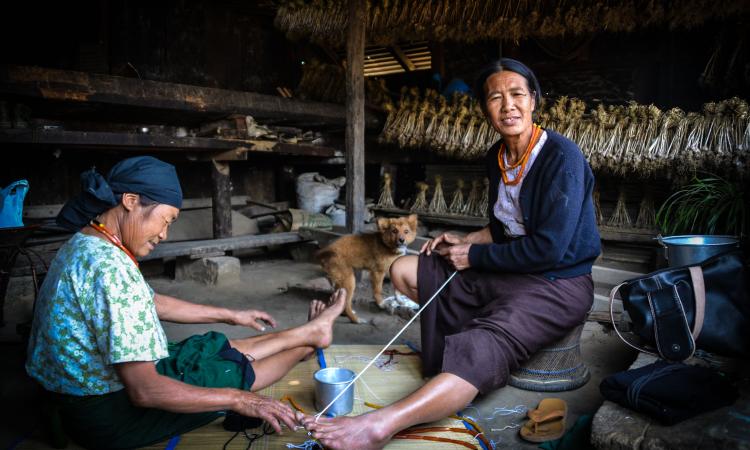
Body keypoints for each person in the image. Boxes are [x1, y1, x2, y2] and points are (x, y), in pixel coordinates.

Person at [299, 58, 601, 449]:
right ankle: (480, 345)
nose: (508, 105)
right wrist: (466, 240)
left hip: (557, 282)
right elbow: (503, 226)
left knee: (479, 348)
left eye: (517, 95)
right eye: (495, 98)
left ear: (534, 101)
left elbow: (548, 248)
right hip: (509, 271)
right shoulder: (498, 158)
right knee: (408, 269)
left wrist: (473, 259)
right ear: (484, 108)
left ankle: (381, 425)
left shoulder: (562, 157)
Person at [26, 156, 345, 449]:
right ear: (131, 201)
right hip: (104, 415)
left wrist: (231, 314)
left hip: (73, 396)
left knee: (205, 347)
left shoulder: (86, 243)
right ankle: (307, 345)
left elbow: (150, 303)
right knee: (226, 373)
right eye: (166, 220)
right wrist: (240, 400)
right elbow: (145, 391)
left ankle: (309, 333)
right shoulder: (110, 270)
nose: (164, 234)